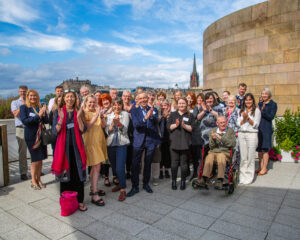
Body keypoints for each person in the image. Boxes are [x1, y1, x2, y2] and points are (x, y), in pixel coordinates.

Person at [51, 89, 87, 211]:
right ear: (64, 99)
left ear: (75, 99)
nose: (70, 99)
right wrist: (61, 119)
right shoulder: (58, 112)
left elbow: (83, 130)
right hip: (64, 150)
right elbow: (54, 131)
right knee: (66, 176)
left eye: (72, 97)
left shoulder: (79, 111)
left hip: (77, 149)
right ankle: (66, 200)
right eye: (67, 97)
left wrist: (78, 117)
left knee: (78, 175)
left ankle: (80, 200)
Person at [127, 92, 161, 197]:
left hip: (150, 140)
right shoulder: (134, 110)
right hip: (138, 140)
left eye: (144, 98)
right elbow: (136, 125)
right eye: (140, 98)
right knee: (135, 164)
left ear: (147, 98)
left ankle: (146, 184)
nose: (143, 100)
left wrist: (151, 116)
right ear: (137, 100)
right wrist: (146, 117)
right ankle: (135, 186)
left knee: (148, 163)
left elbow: (156, 121)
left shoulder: (153, 109)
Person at [196, 115, 236, 189]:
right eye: (221, 123)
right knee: (209, 157)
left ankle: (220, 180)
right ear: (217, 123)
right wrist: (213, 139)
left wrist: (221, 138)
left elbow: (232, 143)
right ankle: (204, 178)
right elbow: (211, 146)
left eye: (224, 122)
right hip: (213, 152)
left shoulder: (230, 131)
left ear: (226, 122)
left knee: (221, 156)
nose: (223, 124)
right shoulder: (213, 130)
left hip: (225, 152)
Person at [20, 89, 48, 190]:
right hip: (31, 137)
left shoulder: (39, 107)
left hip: (41, 135)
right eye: (31, 96)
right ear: (27, 96)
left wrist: (44, 115)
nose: (33, 97)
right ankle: (33, 180)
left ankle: (39, 179)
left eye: (35, 96)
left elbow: (46, 120)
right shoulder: (24, 108)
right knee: (35, 160)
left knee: (40, 159)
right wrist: (38, 116)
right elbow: (25, 121)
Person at [82, 95, 107, 206]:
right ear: (86, 102)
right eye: (90, 102)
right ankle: (94, 194)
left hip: (98, 141)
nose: (92, 104)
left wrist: (101, 116)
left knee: (95, 166)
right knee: (97, 166)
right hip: (90, 143)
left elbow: (103, 125)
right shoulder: (84, 113)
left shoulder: (97, 112)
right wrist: (97, 114)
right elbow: (88, 126)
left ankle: (93, 187)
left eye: (94, 102)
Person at [168, 97, 195, 190]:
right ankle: (174, 181)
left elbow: (192, 128)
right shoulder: (173, 114)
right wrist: (176, 125)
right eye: (179, 103)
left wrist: (184, 125)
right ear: (177, 104)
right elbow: (169, 127)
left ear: (187, 104)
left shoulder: (190, 115)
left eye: (183, 103)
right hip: (174, 142)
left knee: (184, 164)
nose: (181, 105)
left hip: (185, 142)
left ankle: (183, 181)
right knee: (174, 164)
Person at [106, 98, 130, 201]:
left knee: (120, 168)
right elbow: (106, 131)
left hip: (122, 144)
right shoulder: (109, 116)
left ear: (121, 106)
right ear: (112, 106)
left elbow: (125, 130)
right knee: (115, 168)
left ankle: (123, 189)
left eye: (119, 105)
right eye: (114, 105)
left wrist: (119, 124)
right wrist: (112, 125)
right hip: (111, 144)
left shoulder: (125, 114)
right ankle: (120, 184)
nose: (117, 107)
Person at [238, 93, 261, 185]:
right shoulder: (241, 111)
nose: (248, 101)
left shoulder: (257, 111)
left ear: (253, 101)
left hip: (252, 134)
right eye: (246, 100)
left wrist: (247, 117)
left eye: (250, 99)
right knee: (243, 157)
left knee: (250, 157)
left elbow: (255, 125)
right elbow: (238, 124)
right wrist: (244, 118)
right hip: (241, 134)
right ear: (244, 101)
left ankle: (249, 177)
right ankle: (242, 176)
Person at [256, 88, 277, 176]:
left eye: (265, 94)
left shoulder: (273, 104)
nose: (263, 95)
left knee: (265, 149)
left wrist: (262, 111)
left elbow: (271, 116)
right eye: (262, 94)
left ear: (269, 95)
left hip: (266, 129)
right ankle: (260, 167)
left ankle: (265, 168)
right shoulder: (260, 104)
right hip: (259, 129)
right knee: (259, 149)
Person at [98, 93, 118, 186]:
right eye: (103, 100)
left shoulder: (114, 109)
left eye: (107, 100)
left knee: (113, 157)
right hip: (102, 136)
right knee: (105, 159)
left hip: (112, 136)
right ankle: (106, 177)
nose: (105, 102)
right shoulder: (99, 110)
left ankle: (115, 176)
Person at [11, 85, 29, 180]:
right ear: (19, 92)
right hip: (21, 129)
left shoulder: (30, 101)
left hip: (30, 129)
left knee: (34, 150)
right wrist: (23, 104)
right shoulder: (14, 102)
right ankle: (23, 172)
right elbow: (16, 114)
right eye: (21, 91)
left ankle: (36, 170)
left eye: (24, 91)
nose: (23, 93)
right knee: (22, 152)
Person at [189, 93, 205, 181]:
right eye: (198, 98)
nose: (200, 100)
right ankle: (195, 172)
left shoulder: (205, 107)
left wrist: (203, 109)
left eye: (201, 98)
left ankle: (203, 173)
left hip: (203, 133)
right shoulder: (195, 107)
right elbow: (194, 116)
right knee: (195, 156)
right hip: (195, 134)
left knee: (202, 156)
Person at [223, 95, 240, 166]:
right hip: (226, 134)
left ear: (235, 102)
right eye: (229, 100)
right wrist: (226, 114)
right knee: (227, 152)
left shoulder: (238, 111)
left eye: (233, 100)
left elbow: (238, 123)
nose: (231, 102)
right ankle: (227, 168)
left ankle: (236, 168)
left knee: (236, 152)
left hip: (235, 134)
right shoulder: (225, 110)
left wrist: (232, 112)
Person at [122, 90, 134, 179]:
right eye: (125, 96)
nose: (127, 98)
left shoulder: (133, 107)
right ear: (122, 97)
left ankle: (128, 171)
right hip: (122, 134)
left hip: (132, 134)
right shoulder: (118, 106)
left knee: (130, 154)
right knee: (122, 155)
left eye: (129, 96)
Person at [159, 99, 171, 179]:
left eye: (165, 105)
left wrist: (167, 117)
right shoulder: (159, 114)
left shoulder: (171, 114)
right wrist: (162, 116)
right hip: (160, 137)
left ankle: (166, 170)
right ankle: (160, 171)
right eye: (162, 105)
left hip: (168, 137)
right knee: (160, 155)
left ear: (168, 106)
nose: (164, 107)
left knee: (167, 155)